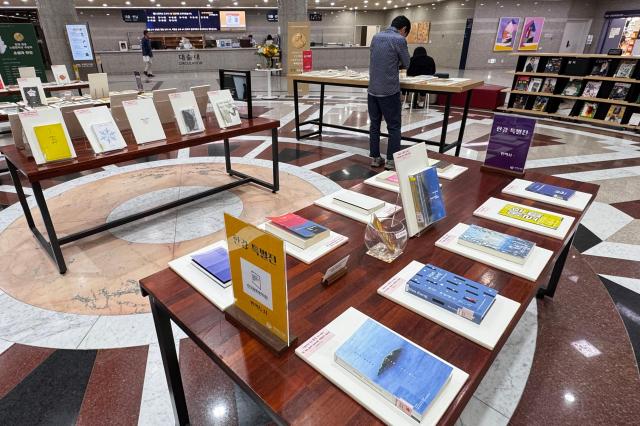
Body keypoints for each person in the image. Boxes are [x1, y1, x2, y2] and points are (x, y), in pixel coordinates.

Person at [368, 16, 411, 171]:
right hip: (389, 91)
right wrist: (395, 63)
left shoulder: (376, 37)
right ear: (404, 29)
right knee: (393, 126)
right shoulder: (399, 39)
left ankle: (375, 158)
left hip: (372, 90)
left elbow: (375, 58)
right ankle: (391, 160)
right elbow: (407, 63)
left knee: (374, 125)